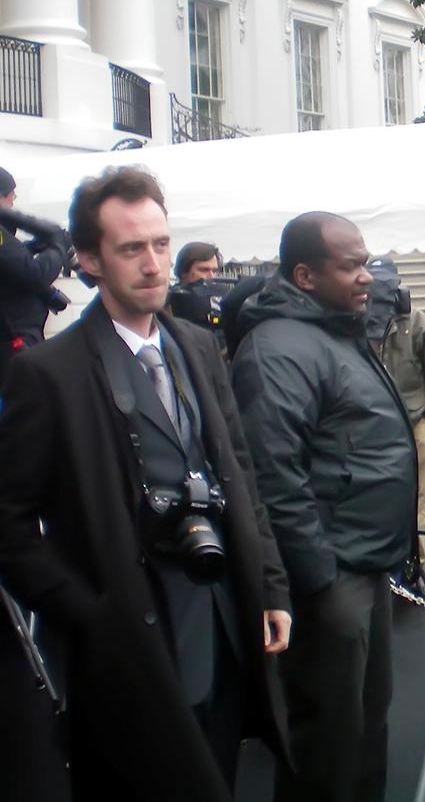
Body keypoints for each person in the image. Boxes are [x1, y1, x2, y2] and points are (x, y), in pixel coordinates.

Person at [0, 165, 292, 802]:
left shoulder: (194, 343)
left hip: (221, 624)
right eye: (132, 248)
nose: (155, 264)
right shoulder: (48, 375)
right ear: (89, 261)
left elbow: (239, 471)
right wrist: (89, 612)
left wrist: (269, 585)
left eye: (161, 244)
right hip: (127, 650)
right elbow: (9, 528)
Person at [231, 211, 418, 802]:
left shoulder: (336, 330)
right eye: (352, 265)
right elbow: (272, 476)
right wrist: (317, 581)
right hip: (330, 576)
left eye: (366, 261)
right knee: (330, 743)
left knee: (366, 726)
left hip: (362, 565)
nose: (368, 276)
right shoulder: (279, 348)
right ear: (306, 275)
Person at [378, 282, 425, 567]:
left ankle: (414, 561)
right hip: (380, 424)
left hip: (416, 420)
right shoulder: (364, 323)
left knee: (418, 497)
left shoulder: (419, 323)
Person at [0, 166, 72, 387]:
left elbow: (13, 264)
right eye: (11, 197)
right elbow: (36, 274)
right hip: (14, 339)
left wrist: (33, 247)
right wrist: (58, 247)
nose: (13, 204)